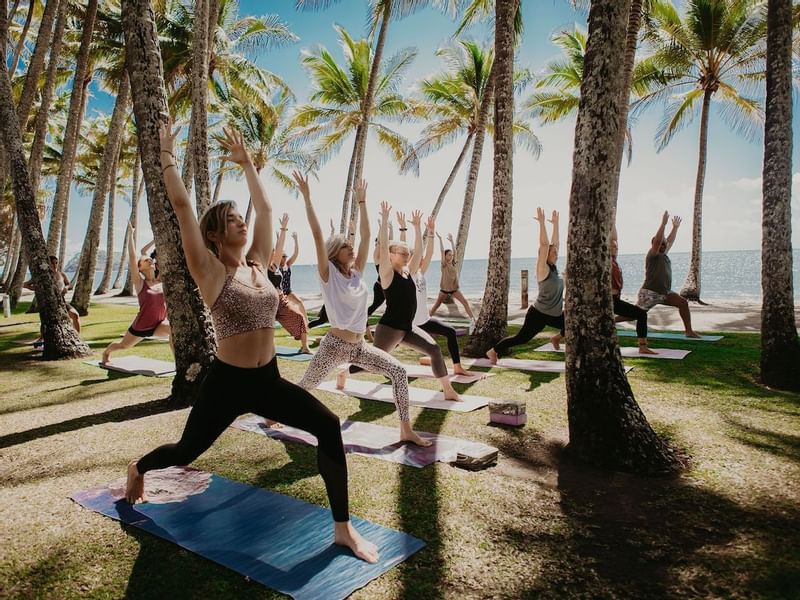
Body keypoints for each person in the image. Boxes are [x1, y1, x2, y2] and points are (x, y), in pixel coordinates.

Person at [124, 124, 378, 563]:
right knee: (187, 450)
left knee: (328, 426)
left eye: (239, 217)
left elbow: (263, 205)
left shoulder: (260, 263)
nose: (241, 220)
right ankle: (139, 468)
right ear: (215, 238)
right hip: (226, 384)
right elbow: (183, 206)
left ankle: (343, 529)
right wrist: (166, 156)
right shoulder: (209, 270)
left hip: (268, 380)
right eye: (230, 220)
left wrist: (246, 165)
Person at [292, 171, 431, 447]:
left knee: (399, 372)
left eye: (350, 245)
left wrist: (363, 203)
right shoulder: (327, 273)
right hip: (335, 345)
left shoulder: (356, 273)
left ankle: (405, 430)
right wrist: (307, 198)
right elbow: (318, 234)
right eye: (344, 246)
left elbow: (366, 236)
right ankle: (274, 410)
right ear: (334, 253)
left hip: (359, 347)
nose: (351, 248)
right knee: (306, 386)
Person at [342, 207, 461, 402]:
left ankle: (448, 390)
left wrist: (420, 230)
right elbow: (381, 248)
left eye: (407, 252)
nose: (407, 255)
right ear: (390, 255)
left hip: (408, 327)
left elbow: (421, 252)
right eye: (402, 252)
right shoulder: (387, 274)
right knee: (371, 364)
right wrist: (385, 221)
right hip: (389, 329)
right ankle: (344, 374)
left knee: (434, 350)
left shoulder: (410, 272)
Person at [487, 208, 564, 363]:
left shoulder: (554, 268)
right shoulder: (543, 269)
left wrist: (556, 225)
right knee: (521, 338)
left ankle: (556, 338)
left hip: (554, 314)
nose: (556, 253)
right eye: (553, 252)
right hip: (538, 314)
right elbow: (544, 244)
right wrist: (542, 223)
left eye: (556, 252)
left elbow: (555, 243)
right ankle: (493, 351)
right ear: (545, 255)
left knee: (573, 323)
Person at [402, 215, 474, 376]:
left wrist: (432, 233)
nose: (421, 259)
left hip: (424, 321)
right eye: (416, 257)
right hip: (410, 324)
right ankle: (349, 371)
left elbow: (429, 253)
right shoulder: (409, 274)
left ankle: (457, 366)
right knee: (384, 350)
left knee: (450, 332)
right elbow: (420, 251)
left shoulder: (420, 273)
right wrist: (418, 228)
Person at [101, 224, 172, 363]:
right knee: (123, 345)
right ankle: (106, 353)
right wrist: (130, 235)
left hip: (158, 324)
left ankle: (179, 364)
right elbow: (133, 256)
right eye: (145, 260)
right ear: (139, 268)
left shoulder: (162, 280)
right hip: (141, 327)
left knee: (174, 332)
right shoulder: (140, 283)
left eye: (150, 259)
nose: (150, 259)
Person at [636, 212, 700, 338]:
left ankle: (689, 331)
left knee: (683, 303)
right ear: (655, 245)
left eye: (665, 244)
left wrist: (675, 228)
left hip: (664, 293)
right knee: (634, 314)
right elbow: (659, 241)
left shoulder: (664, 255)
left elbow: (668, 241)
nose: (664, 245)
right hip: (650, 293)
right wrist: (663, 224)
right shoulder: (653, 255)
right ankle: (613, 322)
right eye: (661, 244)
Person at [268, 214, 311, 354]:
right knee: (266, 328)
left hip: (282, 300)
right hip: (269, 302)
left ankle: (305, 347)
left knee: (299, 317)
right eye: (274, 252)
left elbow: (279, 247)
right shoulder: (264, 267)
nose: (278, 254)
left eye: (278, 253)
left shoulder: (276, 266)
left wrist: (283, 229)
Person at [611, 226, 656, 354]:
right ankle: (642, 346)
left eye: (616, 247)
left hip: (615, 300)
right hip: (609, 301)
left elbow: (615, 238)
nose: (615, 248)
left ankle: (558, 336)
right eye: (612, 247)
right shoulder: (605, 261)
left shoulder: (614, 261)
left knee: (635, 314)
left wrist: (613, 222)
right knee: (641, 314)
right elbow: (612, 239)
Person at [23, 255, 82, 338]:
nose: (54, 265)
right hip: (48, 302)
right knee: (48, 322)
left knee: (75, 315)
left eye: (56, 263)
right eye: (52, 263)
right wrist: (38, 289)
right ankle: (43, 339)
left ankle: (77, 337)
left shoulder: (62, 274)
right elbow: (26, 285)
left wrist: (66, 288)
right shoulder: (43, 276)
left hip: (61, 301)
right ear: (48, 264)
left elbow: (69, 284)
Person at [427, 233, 476, 330]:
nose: (452, 256)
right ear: (445, 256)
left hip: (454, 289)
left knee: (465, 302)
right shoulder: (444, 264)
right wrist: (440, 239)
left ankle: (473, 321)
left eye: (452, 255)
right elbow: (441, 251)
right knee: (437, 305)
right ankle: (426, 320)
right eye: (449, 255)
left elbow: (455, 252)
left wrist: (452, 240)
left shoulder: (454, 263)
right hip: (444, 290)